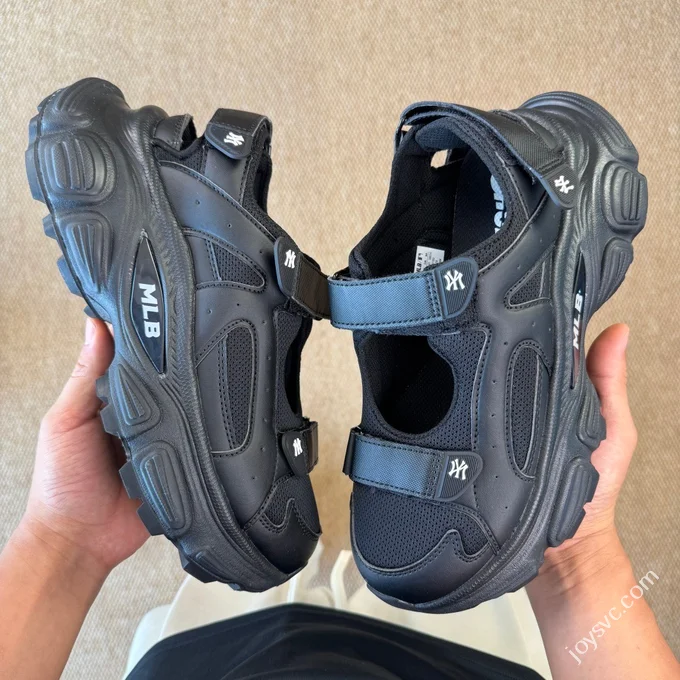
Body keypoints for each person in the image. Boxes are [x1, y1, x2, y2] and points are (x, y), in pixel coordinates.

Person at [0, 319, 677, 679]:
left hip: (207, 658)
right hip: (465, 657)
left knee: (256, 546)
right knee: (443, 555)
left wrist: (65, 542)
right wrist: (577, 564)